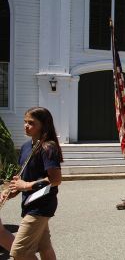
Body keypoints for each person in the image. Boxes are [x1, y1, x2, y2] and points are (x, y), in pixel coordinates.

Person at [0, 107, 62, 259]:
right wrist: (11, 190)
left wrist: (26, 186)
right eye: (25, 122)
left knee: (19, 252)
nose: (26, 126)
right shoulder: (26, 147)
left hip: (41, 205)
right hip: (29, 204)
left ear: (43, 125)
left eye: (31, 123)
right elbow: (23, 176)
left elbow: (55, 179)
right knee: (44, 247)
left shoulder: (48, 147)